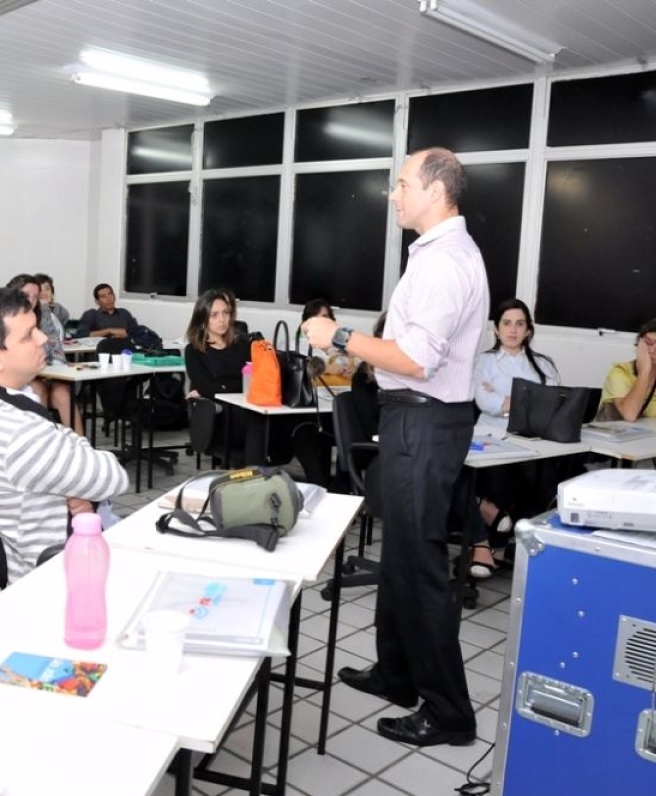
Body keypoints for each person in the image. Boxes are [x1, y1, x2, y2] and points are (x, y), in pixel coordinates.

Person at [302, 147, 487, 747]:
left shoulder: (443, 264)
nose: (393, 193)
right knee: (401, 556)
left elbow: (415, 359)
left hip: (424, 421)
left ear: (435, 191)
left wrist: (341, 336)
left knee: (420, 567)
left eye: (402, 183)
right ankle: (396, 673)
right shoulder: (438, 253)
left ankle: (449, 713)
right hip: (417, 417)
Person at [0, 288, 128, 583]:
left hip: (59, 548)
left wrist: (73, 472)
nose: (44, 338)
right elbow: (113, 477)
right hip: (60, 575)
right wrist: (77, 469)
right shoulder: (16, 434)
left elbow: (63, 444)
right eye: (29, 334)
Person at [468, 298, 560, 577]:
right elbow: (485, 402)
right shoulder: (484, 361)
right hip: (491, 436)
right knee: (500, 475)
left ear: (528, 330)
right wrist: (528, 400)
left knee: (546, 476)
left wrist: (507, 400)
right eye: (506, 323)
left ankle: (513, 542)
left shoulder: (543, 364)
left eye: (520, 324)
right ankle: (492, 544)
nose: (513, 330)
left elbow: (553, 402)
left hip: (533, 439)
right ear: (496, 329)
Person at [184, 288, 292, 466]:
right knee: (256, 419)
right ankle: (253, 478)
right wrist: (241, 384)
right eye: (214, 315)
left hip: (249, 405)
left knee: (292, 421)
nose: (222, 319)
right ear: (203, 318)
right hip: (220, 417)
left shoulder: (242, 344)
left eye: (226, 313)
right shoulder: (194, 350)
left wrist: (223, 385)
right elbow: (205, 387)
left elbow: (260, 378)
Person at [5, 274, 83, 435]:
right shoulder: (4, 316)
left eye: (35, 296)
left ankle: (81, 448)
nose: (32, 300)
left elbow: (54, 345)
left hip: (47, 369)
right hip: (22, 376)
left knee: (63, 394)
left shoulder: (44, 311)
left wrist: (55, 370)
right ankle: (41, 444)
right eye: (27, 295)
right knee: (37, 390)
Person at [599, 316, 656, 421]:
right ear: (639, 342)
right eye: (648, 343)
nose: (652, 350)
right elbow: (629, 415)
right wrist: (644, 371)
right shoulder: (620, 372)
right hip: (617, 434)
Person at [298, 299, 354, 387]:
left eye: (324, 318)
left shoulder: (344, 347)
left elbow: (366, 371)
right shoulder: (297, 346)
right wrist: (325, 368)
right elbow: (294, 371)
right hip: (312, 398)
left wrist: (354, 375)